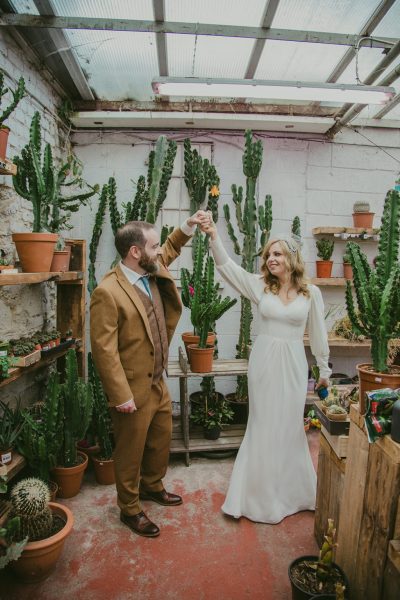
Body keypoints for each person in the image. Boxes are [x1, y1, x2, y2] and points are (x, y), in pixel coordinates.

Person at [200, 216, 331, 524]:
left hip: (294, 365)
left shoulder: (311, 294)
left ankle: (292, 494)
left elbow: (319, 334)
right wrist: (214, 235)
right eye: (268, 255)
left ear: (291, 258)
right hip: (263, 364)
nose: (271, 259)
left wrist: (323, 368)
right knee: (262, 424)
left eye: (277, 254)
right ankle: (256, 498)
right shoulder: (260, 286)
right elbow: (228, 268)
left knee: (287, 426)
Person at [90, 210, 210, 537]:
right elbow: (103, 349)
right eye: (153, 247)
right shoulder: (108, 292)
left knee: (160, 440)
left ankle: (152, 486)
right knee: (130, 451)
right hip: (131, 388)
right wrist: (120, 395)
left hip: (157, 380)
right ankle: (129, 509)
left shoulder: (150, 268)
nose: (160, 252)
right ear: (135, 252)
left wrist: (188, 225)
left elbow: (170, 247)